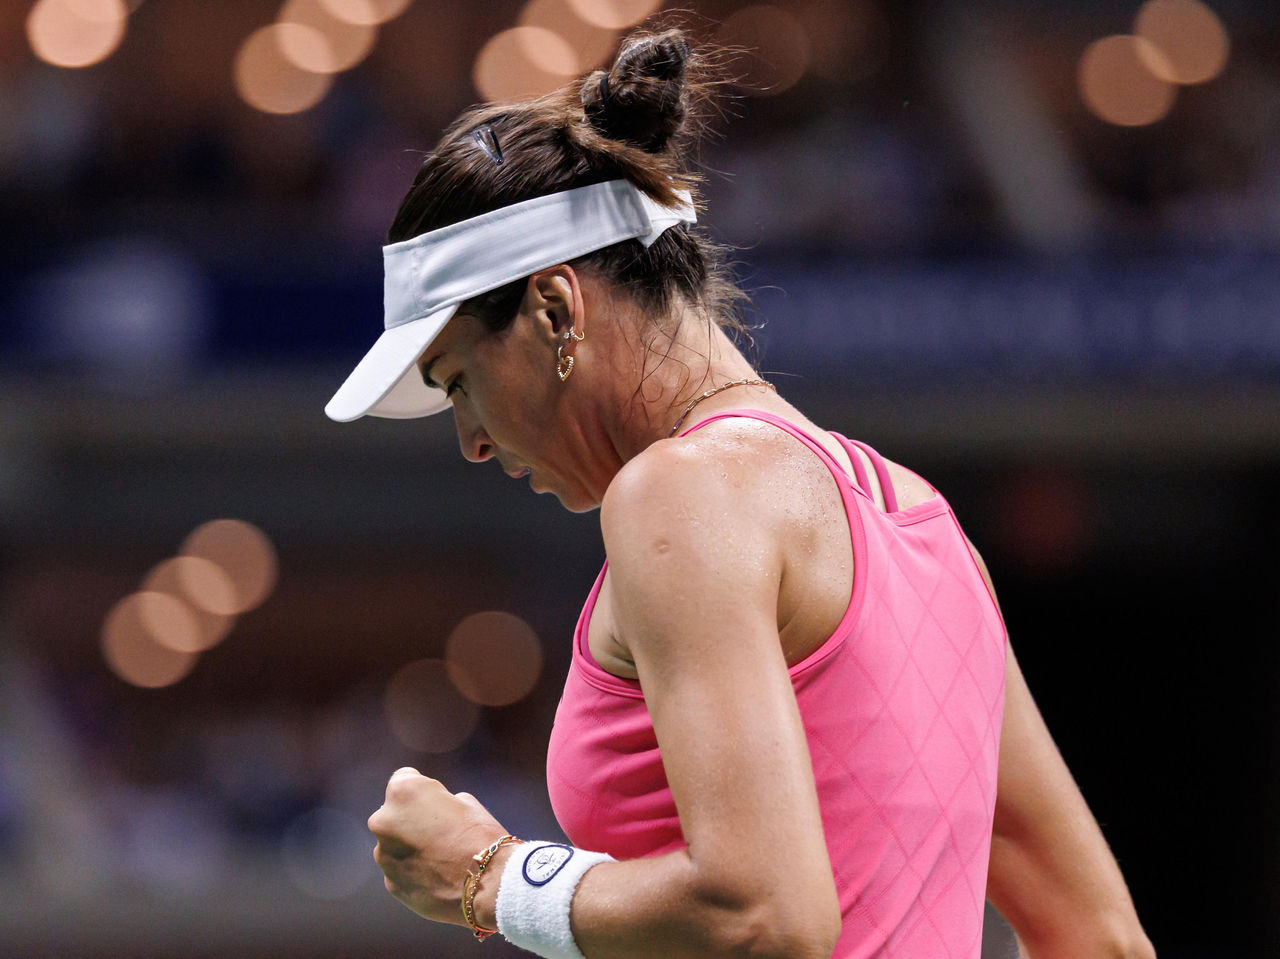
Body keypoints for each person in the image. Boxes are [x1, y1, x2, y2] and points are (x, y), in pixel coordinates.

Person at [328, 27, 1155, 959]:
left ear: (557, 307)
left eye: (458, 382)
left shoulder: (675, 495)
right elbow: (1102, 939)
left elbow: (763, 912)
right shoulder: (920, 514)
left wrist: (490, 878)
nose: (472, 440)